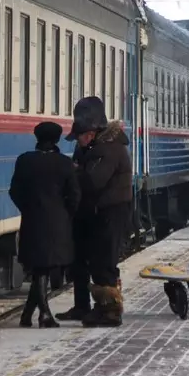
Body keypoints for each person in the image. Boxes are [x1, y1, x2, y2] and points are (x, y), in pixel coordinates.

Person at [56, 97, 132, 327]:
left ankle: (110, 311)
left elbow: (92, 181)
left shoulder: (108, 149)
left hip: (110, 212)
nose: (77, 141)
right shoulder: (91, 149)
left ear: (90, 133)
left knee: (104, 262)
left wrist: (74, 172)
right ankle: (85, 307)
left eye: (79, 136)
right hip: (94, 212)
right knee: (84, 259)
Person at [8, 122, 81, 328]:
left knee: (40, 268)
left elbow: (14, 191)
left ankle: (27, 315)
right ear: (57, 139)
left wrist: (27, 208)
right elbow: (75, 195)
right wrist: (66, 215)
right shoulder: (64, 163)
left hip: (32, 221)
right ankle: (45, 314)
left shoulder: (24, 161)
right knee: (44, 268)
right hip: (57, 223)